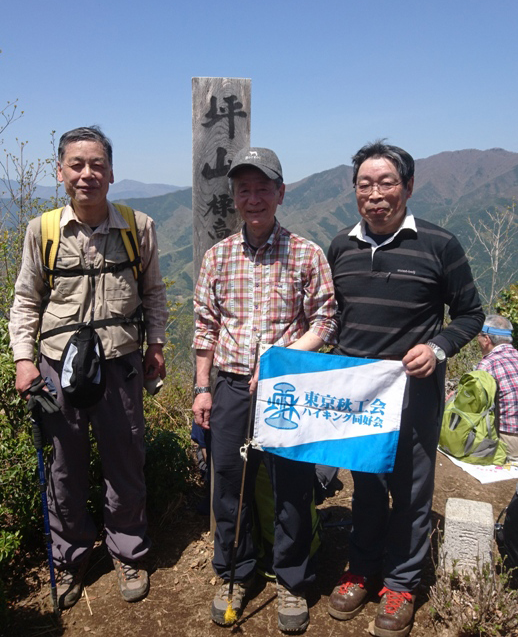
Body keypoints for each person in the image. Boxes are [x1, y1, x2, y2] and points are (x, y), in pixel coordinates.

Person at [326, 140, 483, 637]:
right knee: (366, 483)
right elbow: (333, 317)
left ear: (408, 187)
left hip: (414, 390)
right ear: (354, 190)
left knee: (412, 489)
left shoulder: (439, 245)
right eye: (365, 184)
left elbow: (471, 314)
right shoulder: (340, 247)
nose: (375, 194)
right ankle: (361, 568)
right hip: (359, 394)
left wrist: (436, 348)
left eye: (386, 182)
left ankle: (401, 583)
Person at [9, 126, 168, 609]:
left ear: (111, 172)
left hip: (120, 362)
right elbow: (26, 300)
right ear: (60, 172)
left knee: (125, 460)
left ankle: (128, 551)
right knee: (64, 467)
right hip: (57, 365)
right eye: (76, 165)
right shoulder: (42, 231)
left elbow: (153, 292)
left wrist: (157, 344)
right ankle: (70, 556)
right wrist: (23, 360)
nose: (87, 174)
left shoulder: (138, 227)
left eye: (97, 164)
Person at [192, 146, 336, 634]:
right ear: (235, 196)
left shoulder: (306, 253)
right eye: (244, 190)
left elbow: (325, 320)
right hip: (230, 385)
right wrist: (202, 388)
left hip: (287, 386)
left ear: (280, 193)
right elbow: (205, 328)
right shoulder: (218, 256)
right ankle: (235, 573)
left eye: (262, 189)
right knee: (228, 483)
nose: (253, 199)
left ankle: (292, 577)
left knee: (291, 485)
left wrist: (282, 359)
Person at [477, 315, 518, 460]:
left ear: (486, 339)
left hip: (510, 439)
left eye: (479, 336)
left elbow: (473, 406)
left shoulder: (487, 365)